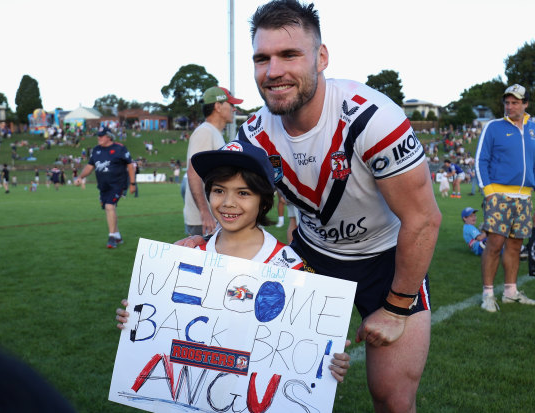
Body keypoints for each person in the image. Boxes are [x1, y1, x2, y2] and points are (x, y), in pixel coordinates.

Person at [178, 2, 441, 411]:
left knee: (393, 398)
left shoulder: (373, 119)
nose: (273, 70)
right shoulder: (254, 133)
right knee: (274, 382)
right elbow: (224, 191)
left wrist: (394, 308)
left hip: (386, 257)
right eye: (262, 58)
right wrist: (205, 243)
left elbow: (423, 219)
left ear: (321, 57)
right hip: (311, 255)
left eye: (289, 54)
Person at [116, 140, 351, 382]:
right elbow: (160, 326)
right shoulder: (188, 255)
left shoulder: (292, 267)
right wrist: (135, 319)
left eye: (243, 193)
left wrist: (329, 358)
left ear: (264, 199)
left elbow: (307, 345)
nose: (228, 202)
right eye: (219, 190)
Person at [475, 83, 535, 312]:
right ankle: (488, 294)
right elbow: (481, 159)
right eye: (507, 102)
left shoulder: (534, 130)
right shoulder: (493, 127)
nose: (509, 106)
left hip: (525, 199)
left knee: (515, 246)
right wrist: (489, 192)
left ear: (525, 104)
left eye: (514, 102)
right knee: (494, 244)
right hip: (499, 196)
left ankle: (511, 292)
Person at [183, 86, 243, 237]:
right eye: (231, 105)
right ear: (218, 106)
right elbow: (193, 173)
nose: (234, 110)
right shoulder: (205, 132)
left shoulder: (214, 133)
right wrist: (205, 213)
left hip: (211, 217)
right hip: (203, 221)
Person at [75, 127, 136, 248]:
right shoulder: (96, 150)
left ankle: (111, 237)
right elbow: (89, 166)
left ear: (109, 137)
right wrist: (80, 176)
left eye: (101, 136)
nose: (99, 138)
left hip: (118, 184)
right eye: (98, 136)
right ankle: (117, 236)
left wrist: (133, 183)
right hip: (103, 186)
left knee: (109, 206)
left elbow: (130, 165)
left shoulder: (120, 148)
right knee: (109, 209)